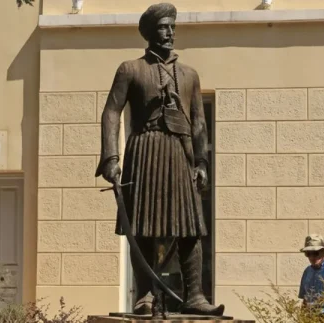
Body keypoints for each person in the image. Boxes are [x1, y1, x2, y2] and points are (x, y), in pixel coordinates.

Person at [95, 2, 223, 317]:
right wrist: (111, 157)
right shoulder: (131, 69)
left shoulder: (189, 75)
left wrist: (202, 163)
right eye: (163, 28)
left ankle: (194, 295)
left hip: (180, 154)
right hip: (145, 151)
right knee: (143, 227)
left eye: (172, 28)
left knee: (190, 227)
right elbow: (112, 111)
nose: (169, 33)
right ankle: (146, 296)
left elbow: (198, 124)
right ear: (151, 32)